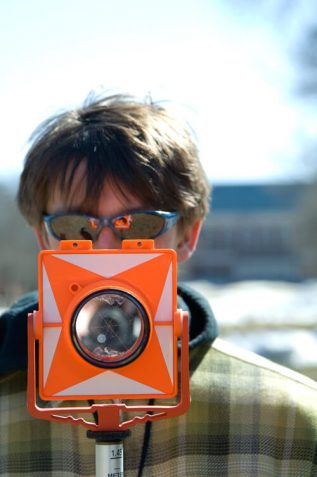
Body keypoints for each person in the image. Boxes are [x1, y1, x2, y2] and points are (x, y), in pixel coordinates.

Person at [0, 93, 316, 477]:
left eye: (140, 226)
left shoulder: (290, 423)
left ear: (187, 235)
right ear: (43, 238)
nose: (106, 252)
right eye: (75, 228)